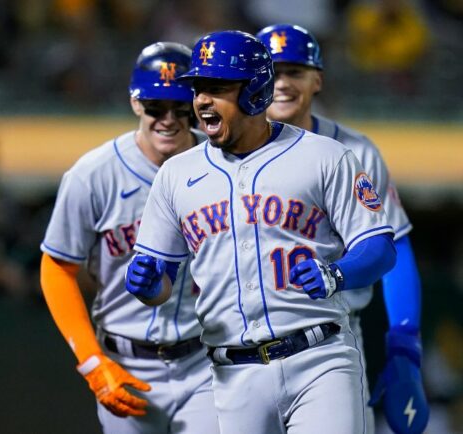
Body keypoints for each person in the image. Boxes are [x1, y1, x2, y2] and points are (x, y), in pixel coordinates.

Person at [125, 30, 398, 434]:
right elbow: (162, 279)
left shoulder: (324, 156)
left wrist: (336, 274)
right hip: (232, 374)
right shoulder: (176, 174)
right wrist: (148, 286)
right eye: (198, 88)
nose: (200, 100)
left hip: (318, 358)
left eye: (216, 88)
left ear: (255, 92)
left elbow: (379, 247)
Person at [256, 23, 429, 434]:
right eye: (272, 72)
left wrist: (404, 346)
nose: (282, 83)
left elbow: (396, 248)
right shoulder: (219, 154)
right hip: (239, 344)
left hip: (331, 340)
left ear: (317, 79)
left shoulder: (356, 150)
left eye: (294, 71)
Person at [40, 42, 218, 433]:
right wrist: (91, 361)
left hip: (207, 360)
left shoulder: (222, 165)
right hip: (125, 359)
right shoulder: (94, 174)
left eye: (180, 107)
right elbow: (57, 267)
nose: (169, 119)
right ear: (136, 103)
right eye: (156, 106)